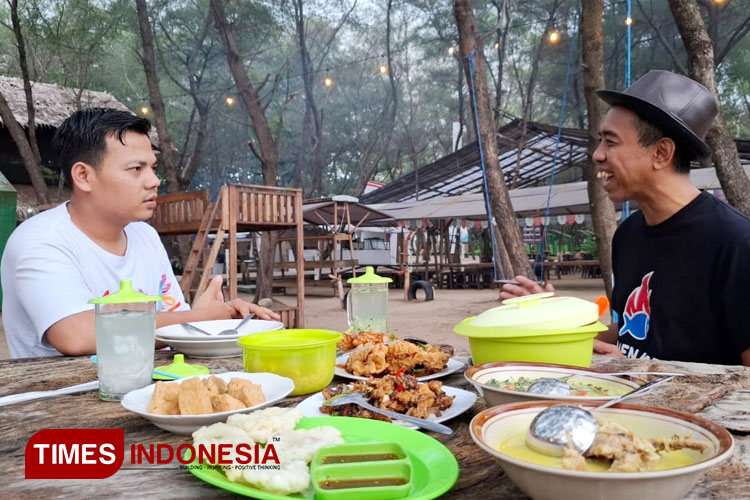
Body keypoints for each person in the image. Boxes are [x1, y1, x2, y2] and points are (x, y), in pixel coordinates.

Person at [501, 70, 750, 366]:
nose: (597, 155)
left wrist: (640, 372)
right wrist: (557, 318)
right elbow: (633, 334)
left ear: (661, 153)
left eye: (611, 142)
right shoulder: (628, 234)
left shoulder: (736, 244)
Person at [1, 108, 279, 358]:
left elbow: (171, 324)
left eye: (153, 168)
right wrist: (197, 319)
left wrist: (217, 319)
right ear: (84, 176)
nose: (154, 181)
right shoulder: (41, 241)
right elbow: (75, 335)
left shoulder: (144, 237)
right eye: (136, 169)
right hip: (61, 402)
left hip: (149, 387)